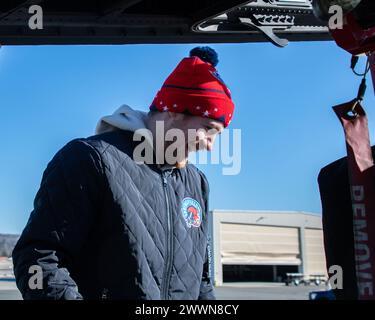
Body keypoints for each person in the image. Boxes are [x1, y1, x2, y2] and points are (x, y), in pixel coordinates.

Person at [12, 46, 235, 300]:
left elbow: (202, 281)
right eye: (208, 129)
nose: (210, 145)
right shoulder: (90, 159)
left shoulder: (196, 183)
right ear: (174, 112)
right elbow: (38, 257)